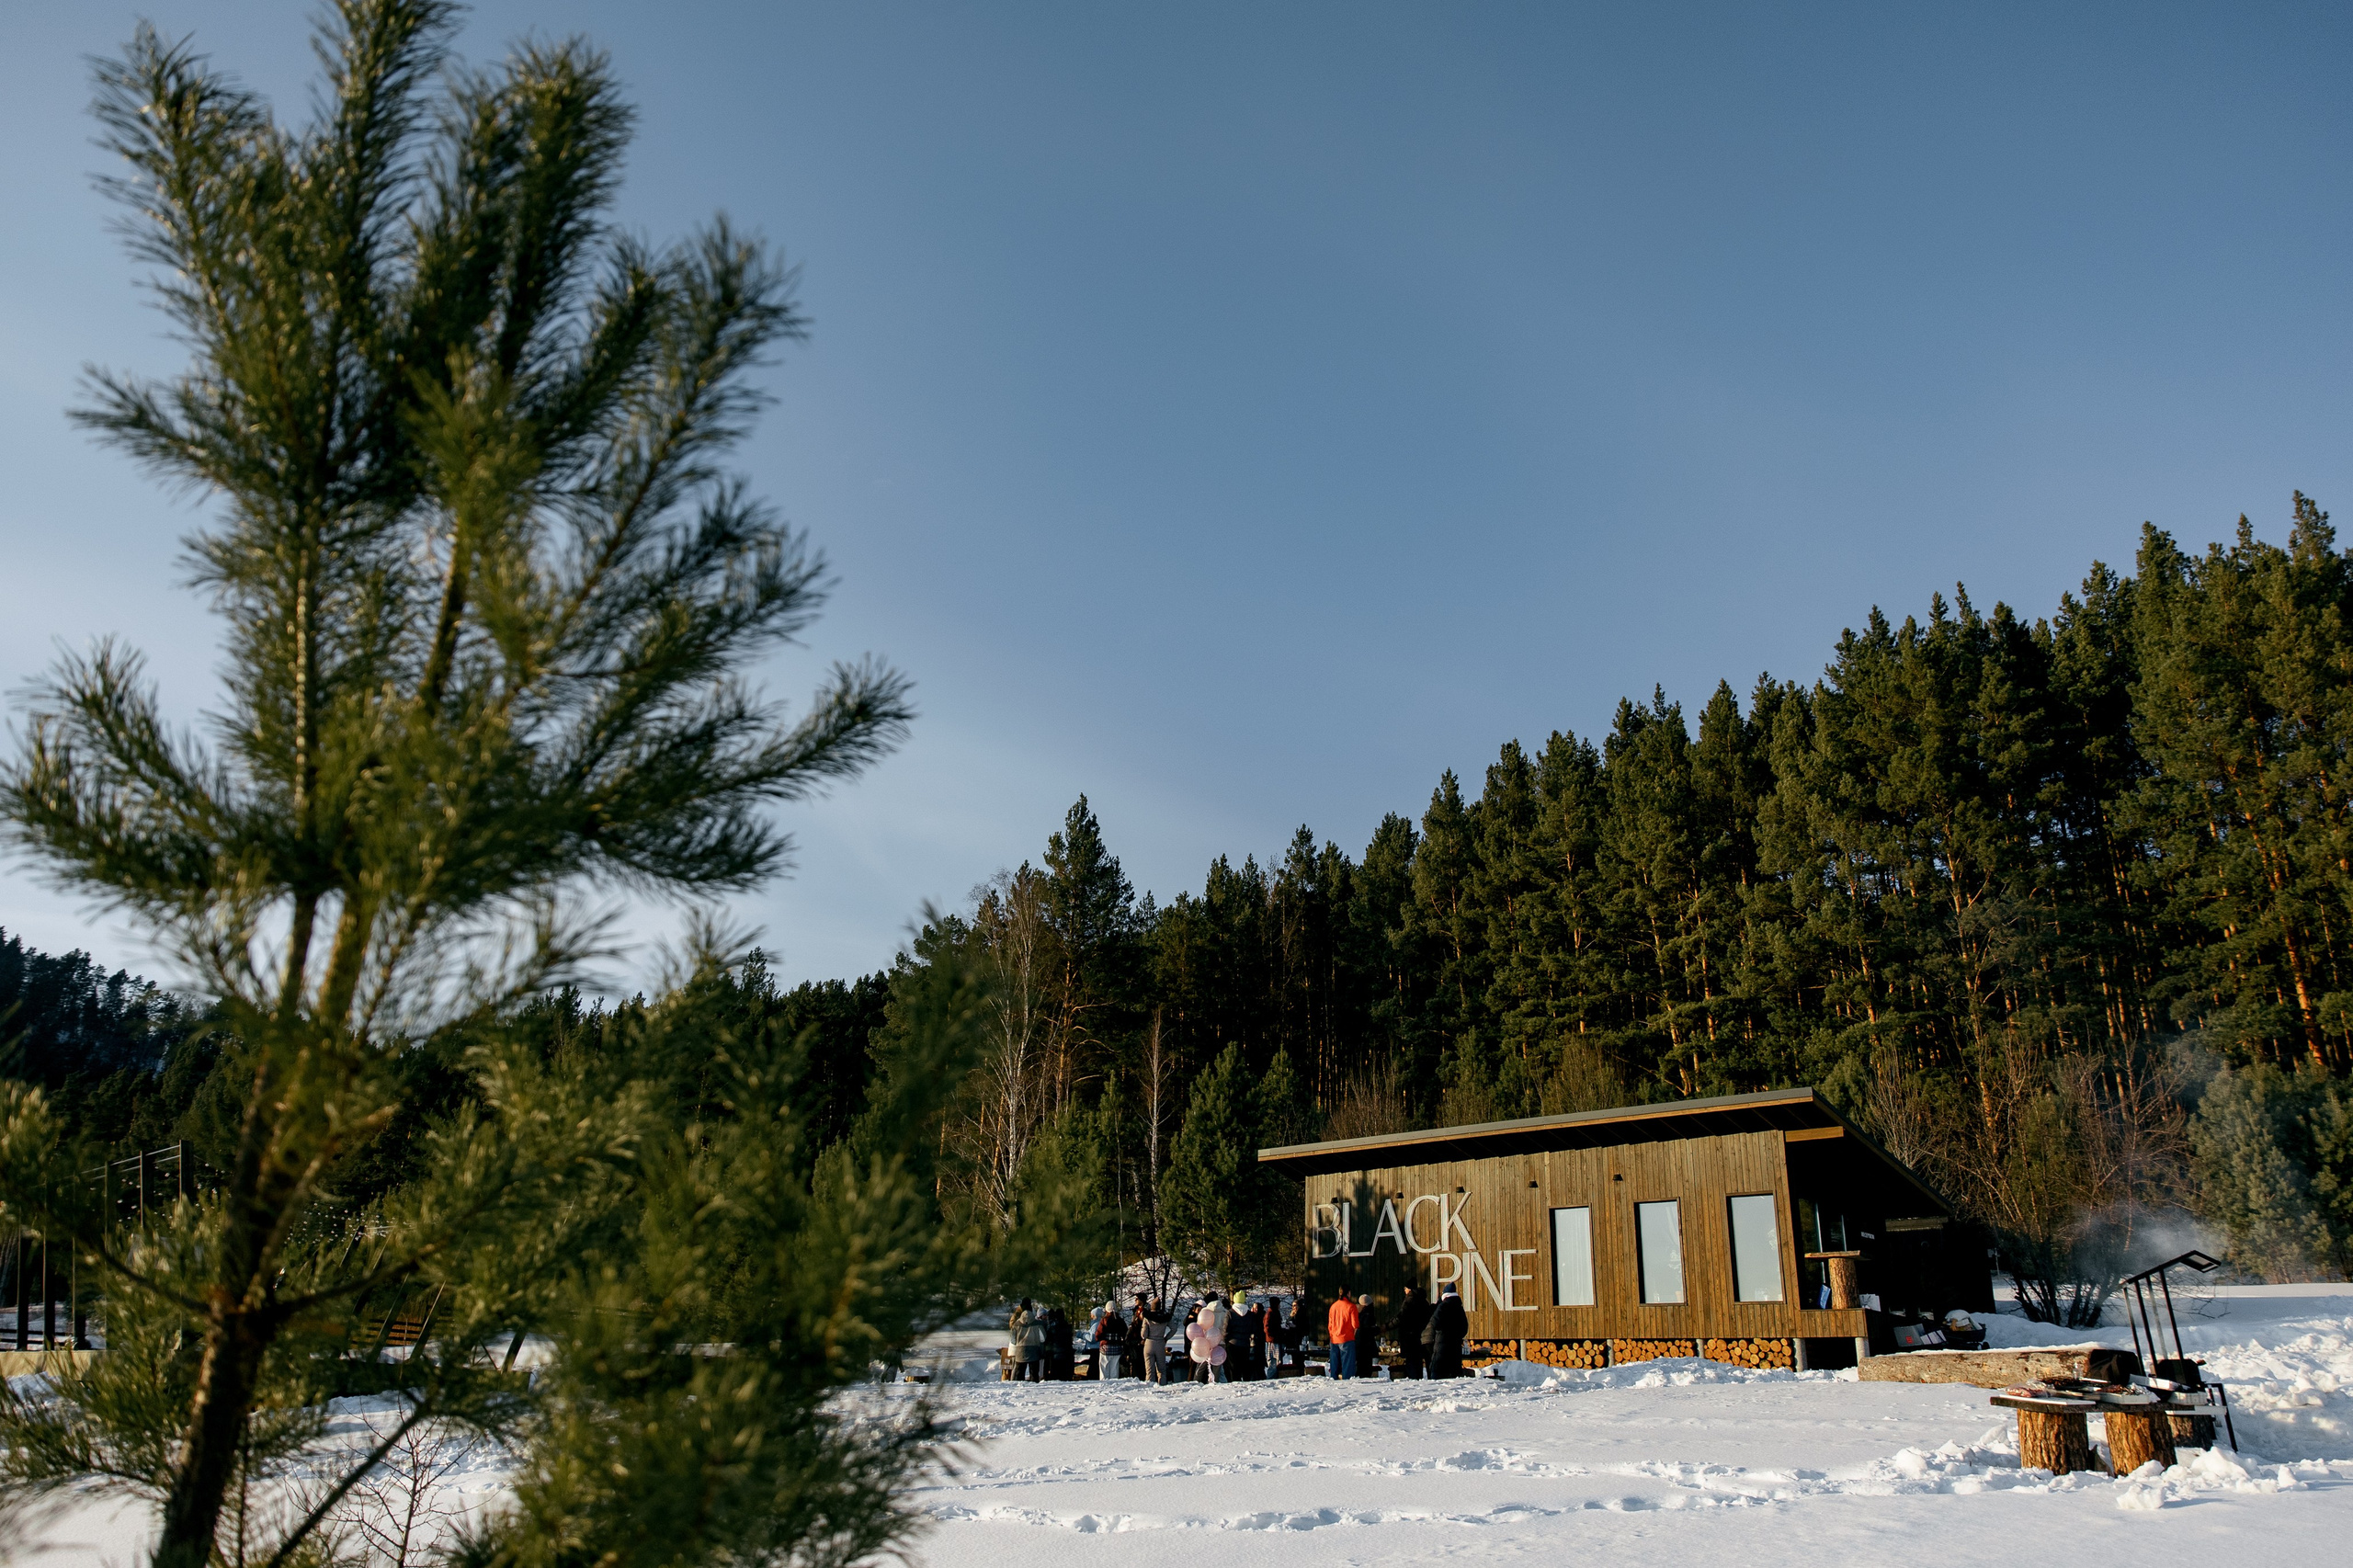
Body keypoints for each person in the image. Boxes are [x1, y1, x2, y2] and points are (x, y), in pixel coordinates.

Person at [1425, 1282, 1467, 1379]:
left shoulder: (1443, 1306)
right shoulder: (1459, 1308)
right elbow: (1464, 1328)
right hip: (1455, 1346)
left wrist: (1440, 1332)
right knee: (1453, 1376)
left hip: (1442, 1344)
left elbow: (1434, 1323)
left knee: (1437, 1374)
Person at [1394, 1284, 1431, 1382]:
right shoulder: (1424, 1301)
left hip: (1409, 1336)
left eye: (1405, 1289)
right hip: (1421, 1336)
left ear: (1409, 1289)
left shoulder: (1409, 1301)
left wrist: (1387, 1326)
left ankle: (1414, 1381)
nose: (1404, 1291)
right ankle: (1418, 1380)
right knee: (1418, 1362)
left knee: (1412, 1363)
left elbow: (1400, 1318)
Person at [1008, 1298, 1045, 1382]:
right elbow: (1043, 1338)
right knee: (1034, 1373)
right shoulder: (1038, 1324)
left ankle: (1018, 1388)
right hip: (1034, 1351)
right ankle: (1034, 1389)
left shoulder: (1016, 1324)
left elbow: (1013, 1340)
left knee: (1019, 1373)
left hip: (1020, 1351)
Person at [1325, 1291, 1360, 1380]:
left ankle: (1334, 1385)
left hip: (1334, 1339)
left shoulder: (1333, 1306)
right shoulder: (1351, 1306)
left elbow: (1330, 1325)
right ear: (1348, 1293)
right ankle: (1346, 1388)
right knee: (1348, 1368)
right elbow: (1355, 1325)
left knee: (1334, 1367)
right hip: (1347, 1339)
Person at [1137, 1294, 1169, 1384]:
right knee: (1162, 1370)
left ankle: (1150, 1387)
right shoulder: (1165, 1317)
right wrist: (1166, 1338)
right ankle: (1162, 1385)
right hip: (1160, 1342)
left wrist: (1145, 1337)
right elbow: (1174, 1328)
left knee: (1149, 1370)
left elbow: (1144, 1334)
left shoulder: (1147, 1317)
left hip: (1149, 1343)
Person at [1096, 1301, 1127, 1381]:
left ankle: (1103, 1385)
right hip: (1117, 1348)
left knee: (1104, 1370)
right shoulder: (1120, 1321)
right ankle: (1114, 1386)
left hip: (1106, 1348)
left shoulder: (1104, 1320)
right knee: (1114, 1370)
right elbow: (1125, 1334)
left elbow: (1098, 1336)